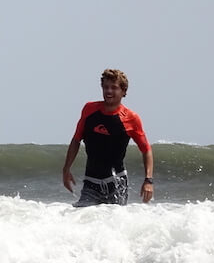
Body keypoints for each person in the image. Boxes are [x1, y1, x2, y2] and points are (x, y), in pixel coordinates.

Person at [62, 68, 153, 207]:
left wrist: (148, 180)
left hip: (117, 184)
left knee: (116, 224)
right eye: (105, 87)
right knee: (82, 219)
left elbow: (146, 150)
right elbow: (76, 140)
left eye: (114, 88)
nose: (109, 91)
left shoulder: (131, 118)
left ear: (123, 91)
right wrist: (66, 169)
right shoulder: (89, 109)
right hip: (91, 184)